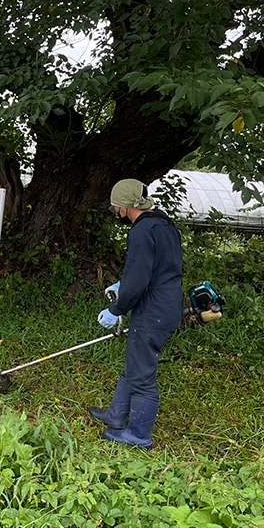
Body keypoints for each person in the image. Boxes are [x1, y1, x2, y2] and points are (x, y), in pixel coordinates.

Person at [89, 179, 183, 450]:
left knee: (142, 374)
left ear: (125, 205)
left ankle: (139, 435)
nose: (115, 210)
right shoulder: (164, 225)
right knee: (136, 363)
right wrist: (124, 284)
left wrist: (115, 308)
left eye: (115, 205)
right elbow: (160, 267)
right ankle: (116, 415)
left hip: (152, 310)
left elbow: (138, 278)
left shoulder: (141, 232)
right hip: (167, 303)